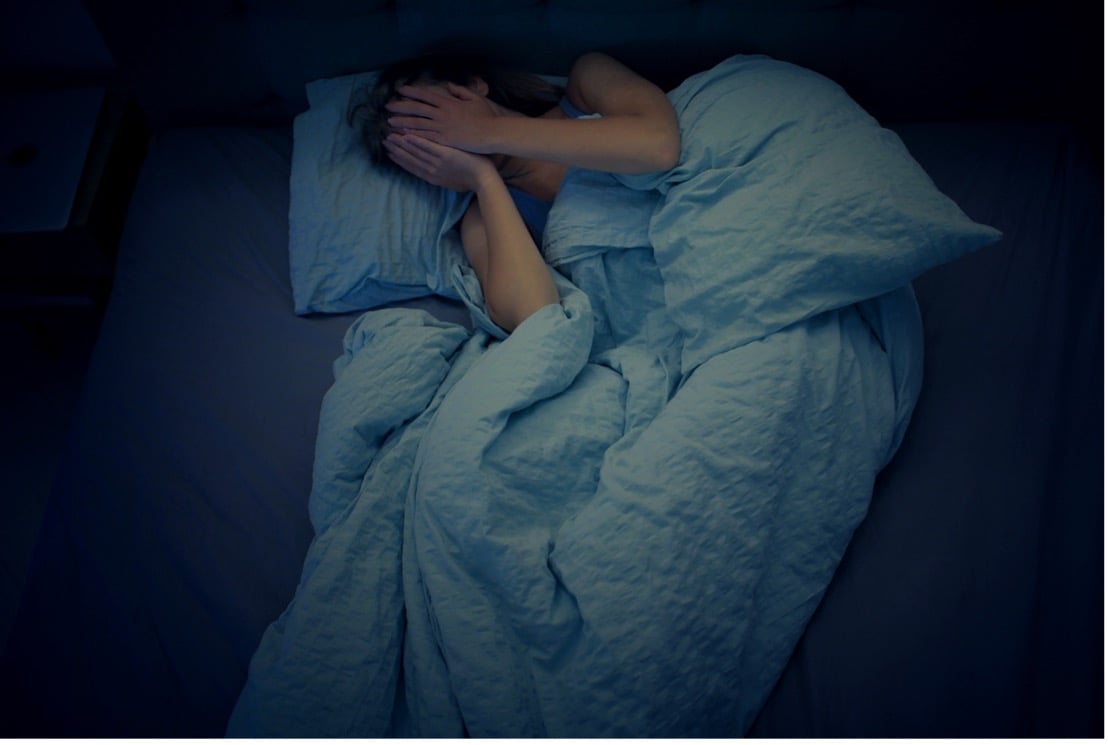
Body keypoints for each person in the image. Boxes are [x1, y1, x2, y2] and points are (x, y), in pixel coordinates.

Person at [349, 51, 680, 334]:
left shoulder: (585, 84)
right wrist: (484, 178)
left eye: (432, 117)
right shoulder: (486, 215)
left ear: (474, 88)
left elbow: (658, 147)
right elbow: (534, 315)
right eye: (421, 147)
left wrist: (488, 132)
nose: (443, 139)